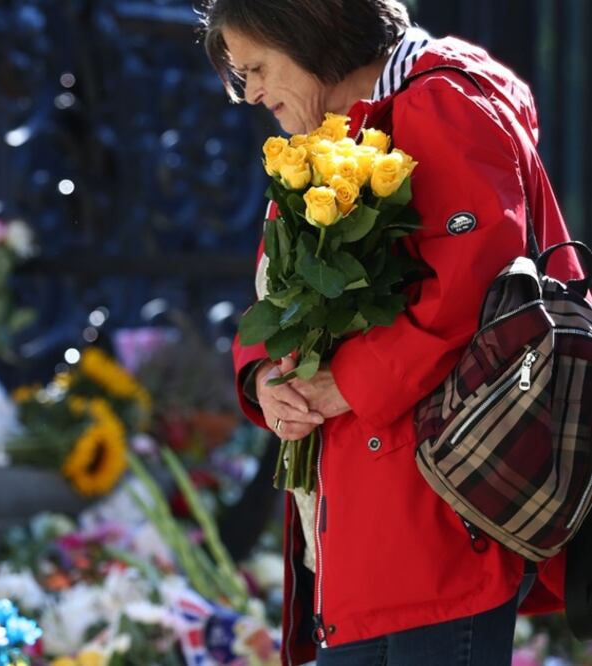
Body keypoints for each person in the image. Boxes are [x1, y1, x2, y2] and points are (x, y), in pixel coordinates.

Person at [203, 1, 585, 664]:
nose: (250, 94)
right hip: (361, 532)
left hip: (434, 525)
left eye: (256, 69)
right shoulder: (333, 135)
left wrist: (340, 385)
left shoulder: (439, 103)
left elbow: (472, 289)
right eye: (240, 78)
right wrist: (266, 376)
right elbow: (280, 295)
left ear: (308, 32)